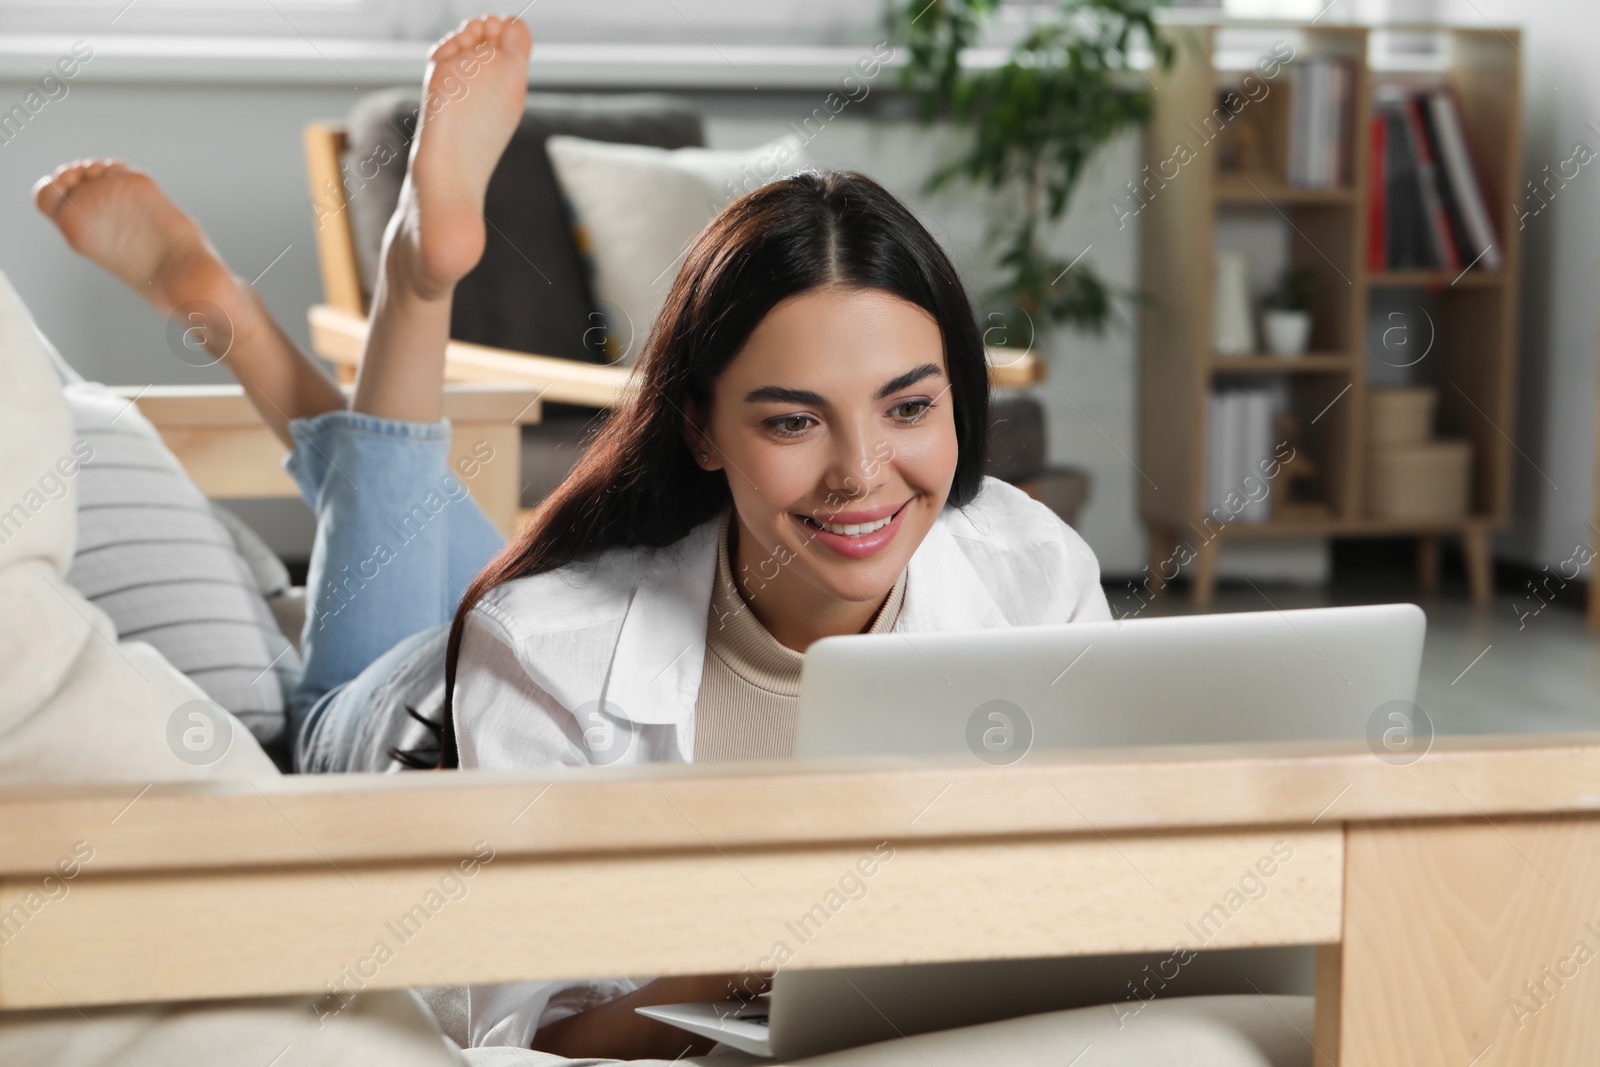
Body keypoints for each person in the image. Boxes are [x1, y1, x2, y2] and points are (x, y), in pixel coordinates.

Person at [33, 13, 1110, 1059]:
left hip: (516, 610)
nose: (862, 473)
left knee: (412, 512)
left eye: (908, 407)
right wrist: (767, 955)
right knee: (352, 628)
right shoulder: (542, 646)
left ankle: (269, 307)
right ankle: (393, 277)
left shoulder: (1030, 567)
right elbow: (505, 1027)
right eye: (792, 419)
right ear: (698, 425)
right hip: (390, 730)